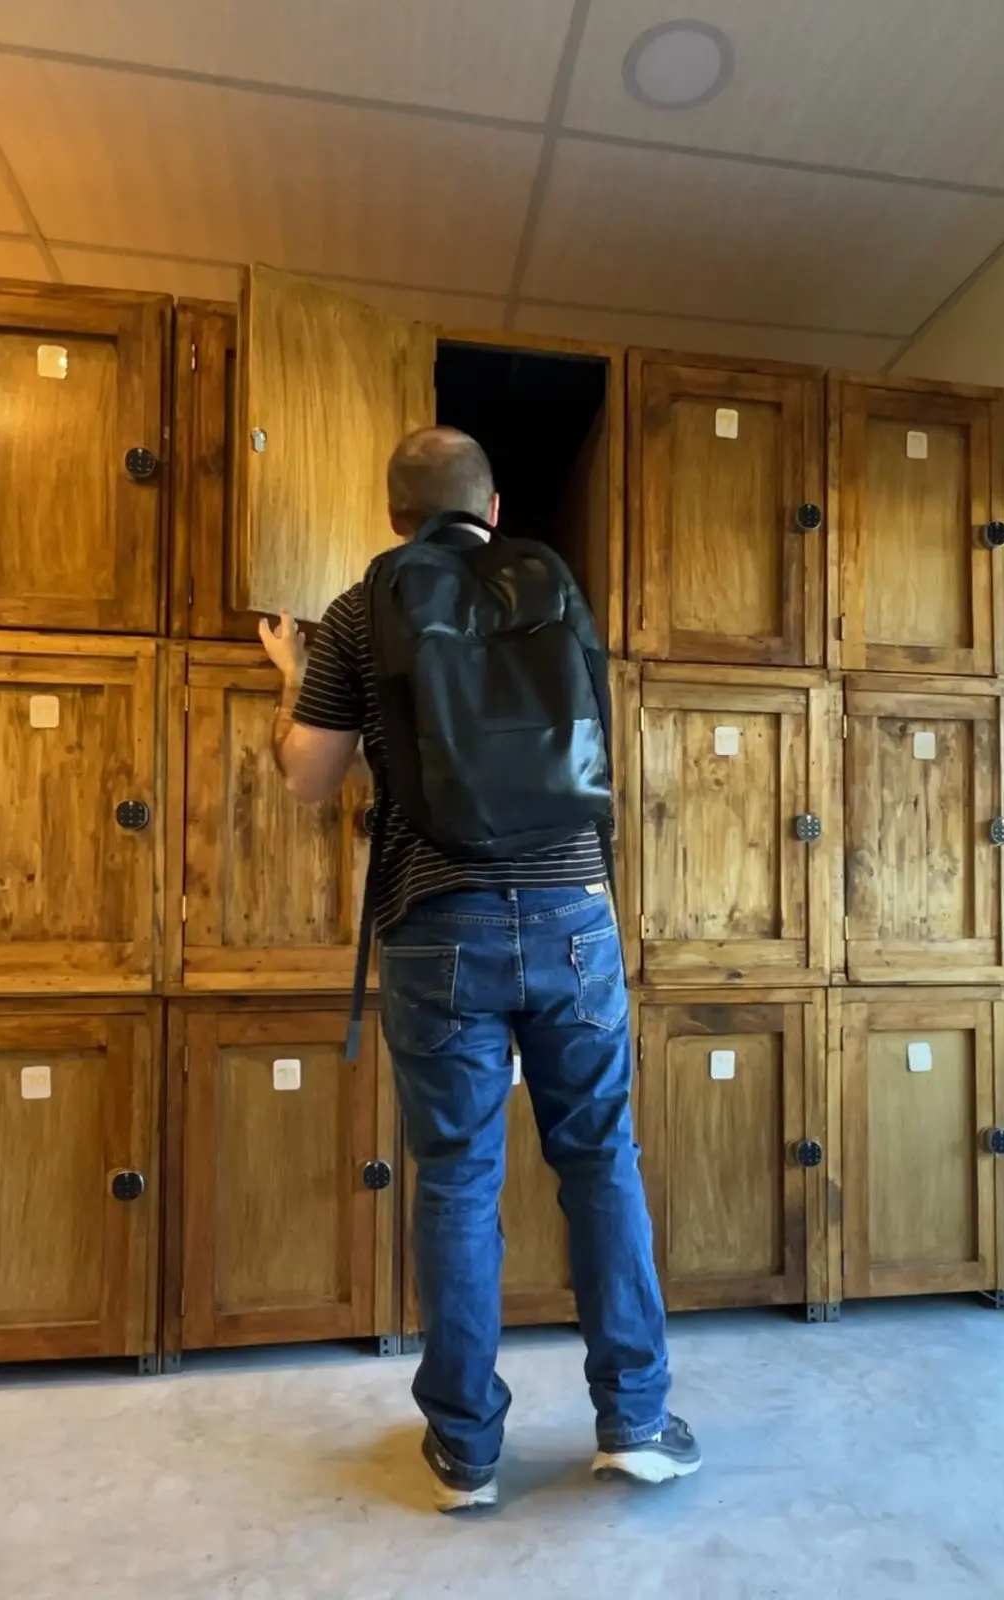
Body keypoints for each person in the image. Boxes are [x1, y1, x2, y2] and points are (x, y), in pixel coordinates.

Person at [260, 426, 700, 1512]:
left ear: (393, 515)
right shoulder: (550, 584)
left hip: (438, 922)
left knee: (458, 1177)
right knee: (599, 1159)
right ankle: (635, 1419)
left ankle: (465, 1451)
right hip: (571, 915)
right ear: (492, 509)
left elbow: (309, 780)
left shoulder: (367, 609)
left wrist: (294, 679)